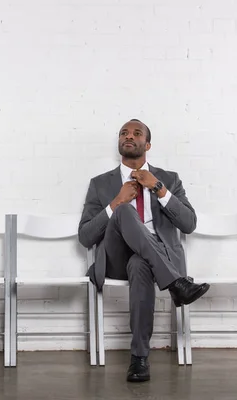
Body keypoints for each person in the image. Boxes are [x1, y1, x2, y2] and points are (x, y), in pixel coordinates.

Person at [78, 119, 210, 382]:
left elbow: (189, 224)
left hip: (150, 259)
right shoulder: (100, 184)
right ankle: (176, 284)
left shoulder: (169, 179)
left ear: (147, 144)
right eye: (124, 133)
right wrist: (115, 203)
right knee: (125, 210)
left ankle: (139, 359)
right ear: (119, 143)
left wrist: (158, 188)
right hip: (116, 256)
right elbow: (85, 236)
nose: (129, 136)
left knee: (140, 264)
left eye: (137, 133)